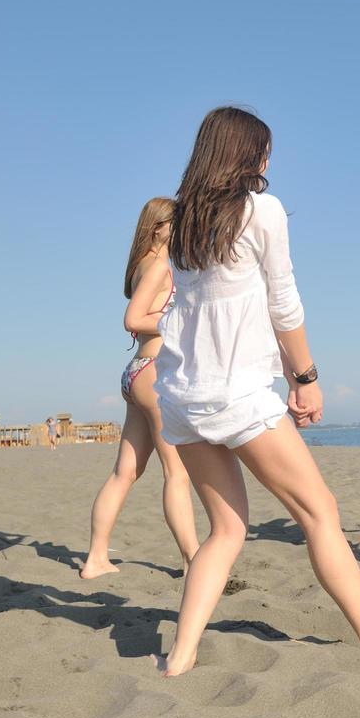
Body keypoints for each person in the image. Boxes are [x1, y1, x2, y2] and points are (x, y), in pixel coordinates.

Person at [154, 106, 360, 676]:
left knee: (226, 529)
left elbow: (226, 312)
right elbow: (282, 303)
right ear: (246, 155)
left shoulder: (183, 223)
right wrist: (308, 378)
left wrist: (285, 375)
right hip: (237, 396)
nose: (270, 160)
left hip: (182, 397)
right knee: (320, 512)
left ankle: (181, 656)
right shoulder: (260, 210)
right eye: (264, 150)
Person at [79, 197, 200, 580]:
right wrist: (178, 321)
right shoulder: (160, 266)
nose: (183, 229)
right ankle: (192, 559)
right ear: (159, 228)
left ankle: (96, 558)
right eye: (177, 223)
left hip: (136, 373)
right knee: (176, 471)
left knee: (125, 473)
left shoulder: (139, 266)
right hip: (153, 371)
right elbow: (133, 319)